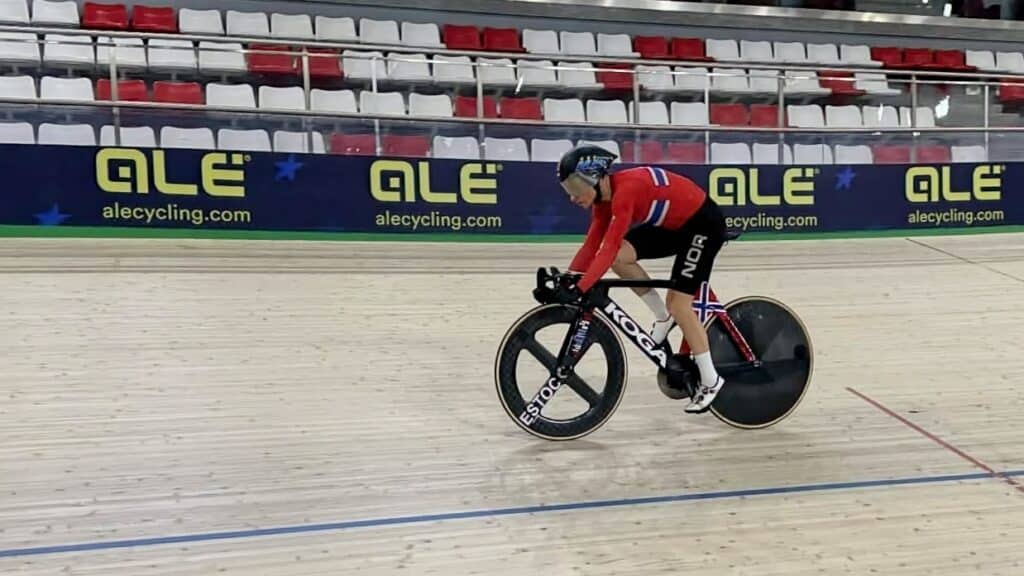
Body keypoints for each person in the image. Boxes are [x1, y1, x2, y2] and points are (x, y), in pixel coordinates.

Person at [557, 144, 728, 413]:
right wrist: (569, 277)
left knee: (680, 304)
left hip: (703, 225)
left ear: (595, 178)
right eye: (568, 190)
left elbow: (608, 246)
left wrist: (581, 286)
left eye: (576, 188)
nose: (572, 197)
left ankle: (711, 380)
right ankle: (663, 317)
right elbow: (592, 245)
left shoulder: (625, 193)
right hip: (676, 226)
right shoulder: (603, 201)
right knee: (620, 260)